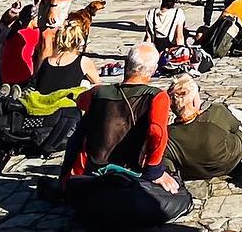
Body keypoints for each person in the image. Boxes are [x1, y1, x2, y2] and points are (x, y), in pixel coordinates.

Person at [64, 43, 179, 193]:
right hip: (131, 173)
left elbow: (80, 101)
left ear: (127, 63)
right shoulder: (157, 97)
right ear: (153, 70)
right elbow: (157, 132)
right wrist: (154, 170)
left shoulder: (98, 92)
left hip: (92, 171)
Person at [164, 76, 242, 182]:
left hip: (196, 171)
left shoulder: (169, 136)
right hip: (232, 162)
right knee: (239, 119)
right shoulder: (215, 112)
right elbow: (237, 127)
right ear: (194, 101)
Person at [33, 9, 101, 92]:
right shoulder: (83, 61)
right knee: (86, 83)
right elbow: (96, 82)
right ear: (79, 41)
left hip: (42, 99)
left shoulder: (46, 60)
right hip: (67, 99)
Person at [0, 3, 43, 87]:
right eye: (38, 17)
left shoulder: (14, 32)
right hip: (24, 76)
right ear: (32, 19)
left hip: (6, 76)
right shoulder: (35, 33)